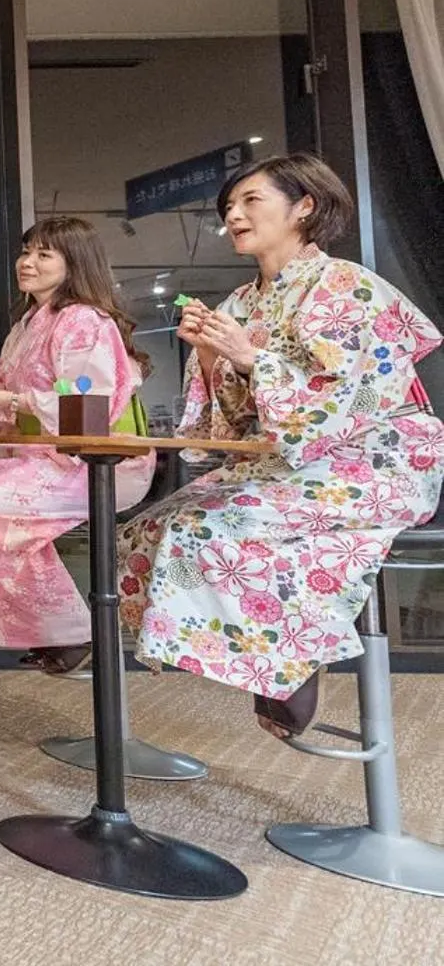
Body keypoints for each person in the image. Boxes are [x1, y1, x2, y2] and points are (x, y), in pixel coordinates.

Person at [117, 154, 443, 739]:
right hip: (283, 461)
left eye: (251, 201)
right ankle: (278, 654)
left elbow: (346, 399)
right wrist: (212, 356)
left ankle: (289, 663)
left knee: (207, 527)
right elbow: (238, 423)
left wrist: (249, 356)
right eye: (229, 207)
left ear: (304, 207)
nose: (234, 216)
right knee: (150, 527)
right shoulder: (240, 303)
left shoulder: (346, 285)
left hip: (372, 457)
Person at [0, 217, 153, 675]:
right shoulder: (25, 326)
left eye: (44, 254)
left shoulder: (85, 321)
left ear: (74, 262)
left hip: (93, 459)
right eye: (26, 252)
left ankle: (69, 629)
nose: (27, 262)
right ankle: (55, 628)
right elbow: (1, 388)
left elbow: (89, 404)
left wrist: (9, 402)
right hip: (40, 457)